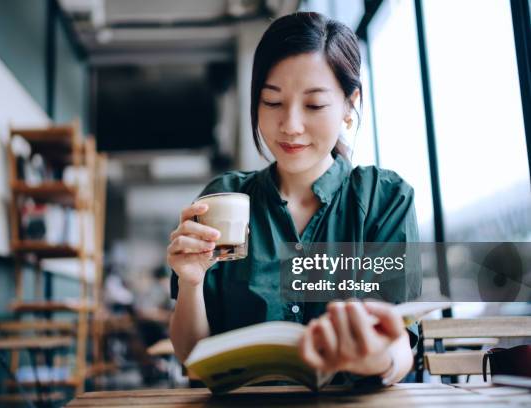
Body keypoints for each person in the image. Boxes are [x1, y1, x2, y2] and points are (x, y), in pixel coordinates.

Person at [167, 12, 421, 386]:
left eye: (314, 105)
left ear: (350, 106)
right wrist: (190, 282)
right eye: (272, 102)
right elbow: (193, 357)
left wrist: (376, 359)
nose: (290, 125)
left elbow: (402, 348)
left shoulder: (385, 198)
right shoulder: (224, 200)